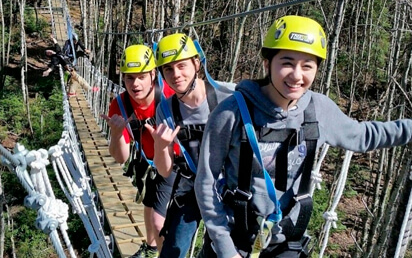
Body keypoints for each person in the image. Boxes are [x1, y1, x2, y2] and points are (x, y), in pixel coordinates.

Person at [194, 15, 412, 258]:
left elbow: (363, 136)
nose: (297, 76)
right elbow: (206, 180)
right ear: (267, 63)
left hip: (286, 241)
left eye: (307, 65)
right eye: (287, 62)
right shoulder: (231, 112)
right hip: (236, 240)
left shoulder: (318, 110)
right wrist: (224, 247)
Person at [145, 33, 235, 258]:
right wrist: (161, 146)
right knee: (172, 248)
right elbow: (165, 171)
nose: (176, 75)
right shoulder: (166, 109)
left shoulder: (230, 97)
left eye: (182, 66)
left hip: (229, 186)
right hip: (193, 184)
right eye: (168, 69)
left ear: (197, 63)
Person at [101, 44, 175, 258]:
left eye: (142, 76)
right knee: (149, 204)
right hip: (147, 160)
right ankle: (151, 249)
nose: (135, 84)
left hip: (174, 160)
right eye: (129, 78)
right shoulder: (120, 105)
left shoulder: (170, 95)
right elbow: (120, 157)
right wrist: (116, 133)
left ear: (153, 74)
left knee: (158, 221)